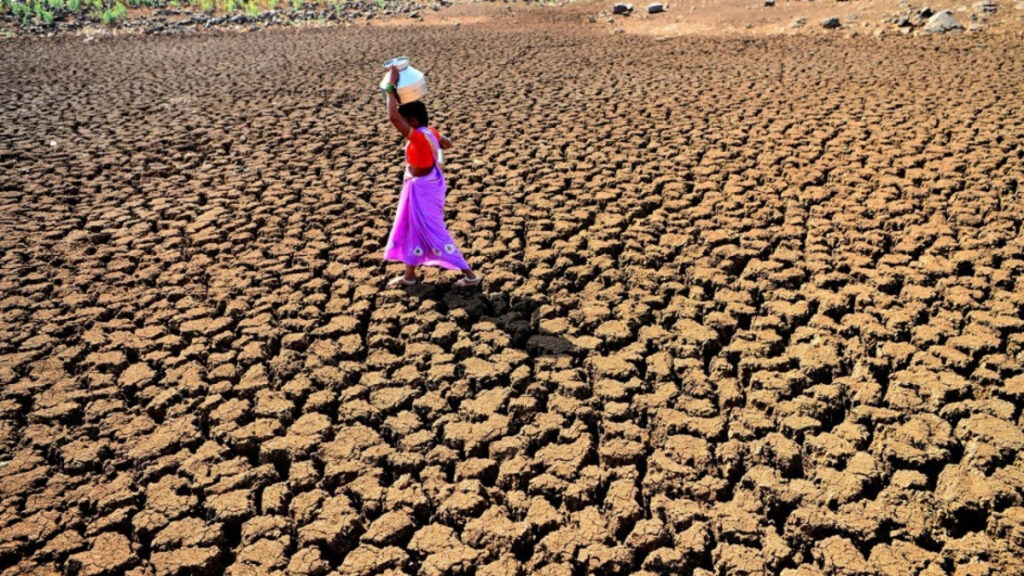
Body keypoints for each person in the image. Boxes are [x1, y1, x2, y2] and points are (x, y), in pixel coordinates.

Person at [381, 65, 481, 288]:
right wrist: (437, 151)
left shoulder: (417, 137)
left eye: (406, 122)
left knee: (434, 231)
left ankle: (470, 276)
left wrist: (389, 87)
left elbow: (392, 117)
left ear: (414, 122)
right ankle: (410, 276)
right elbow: (447, 143)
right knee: (410, 227)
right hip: (426, 185)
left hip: (423, 190)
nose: (402, 125)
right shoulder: (430, 132)